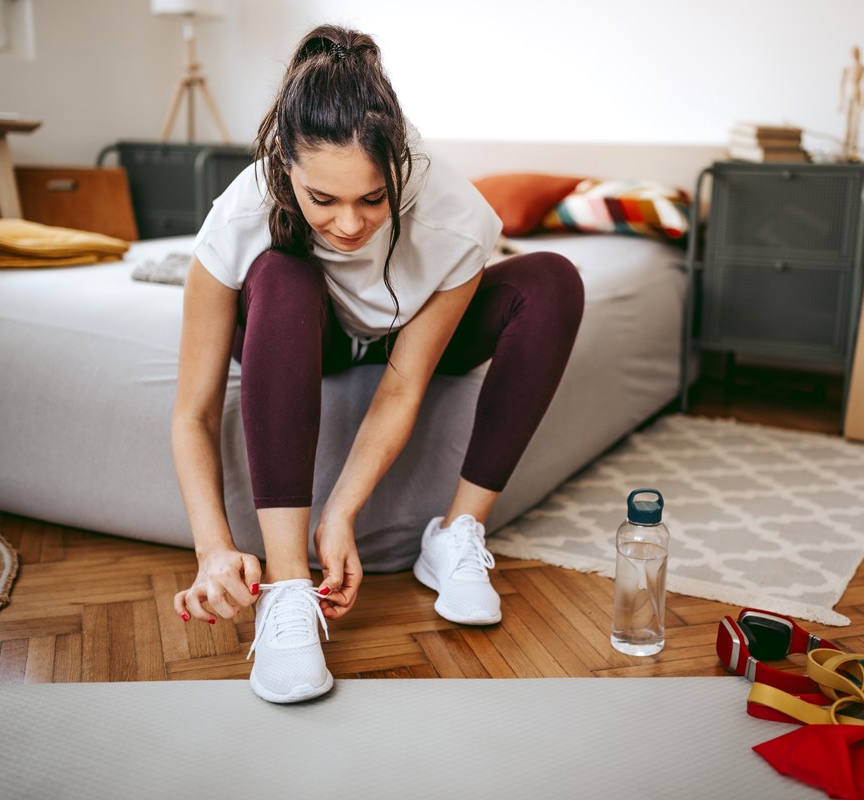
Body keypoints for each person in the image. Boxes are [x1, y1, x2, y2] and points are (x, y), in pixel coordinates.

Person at [169, 24, 584, 704]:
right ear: (284, 165)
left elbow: (402, 385)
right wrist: (212, 547)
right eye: (322, 200)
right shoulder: (240, 212)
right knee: (282, 272)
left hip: (404, 331)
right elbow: (193, 412)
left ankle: (454, 534)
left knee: (555, 279)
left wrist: (341, 513)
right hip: (303, 323)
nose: (351, 226)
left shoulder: (456, 214)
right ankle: (286, 587)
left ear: (399, 166)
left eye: (372, 198)